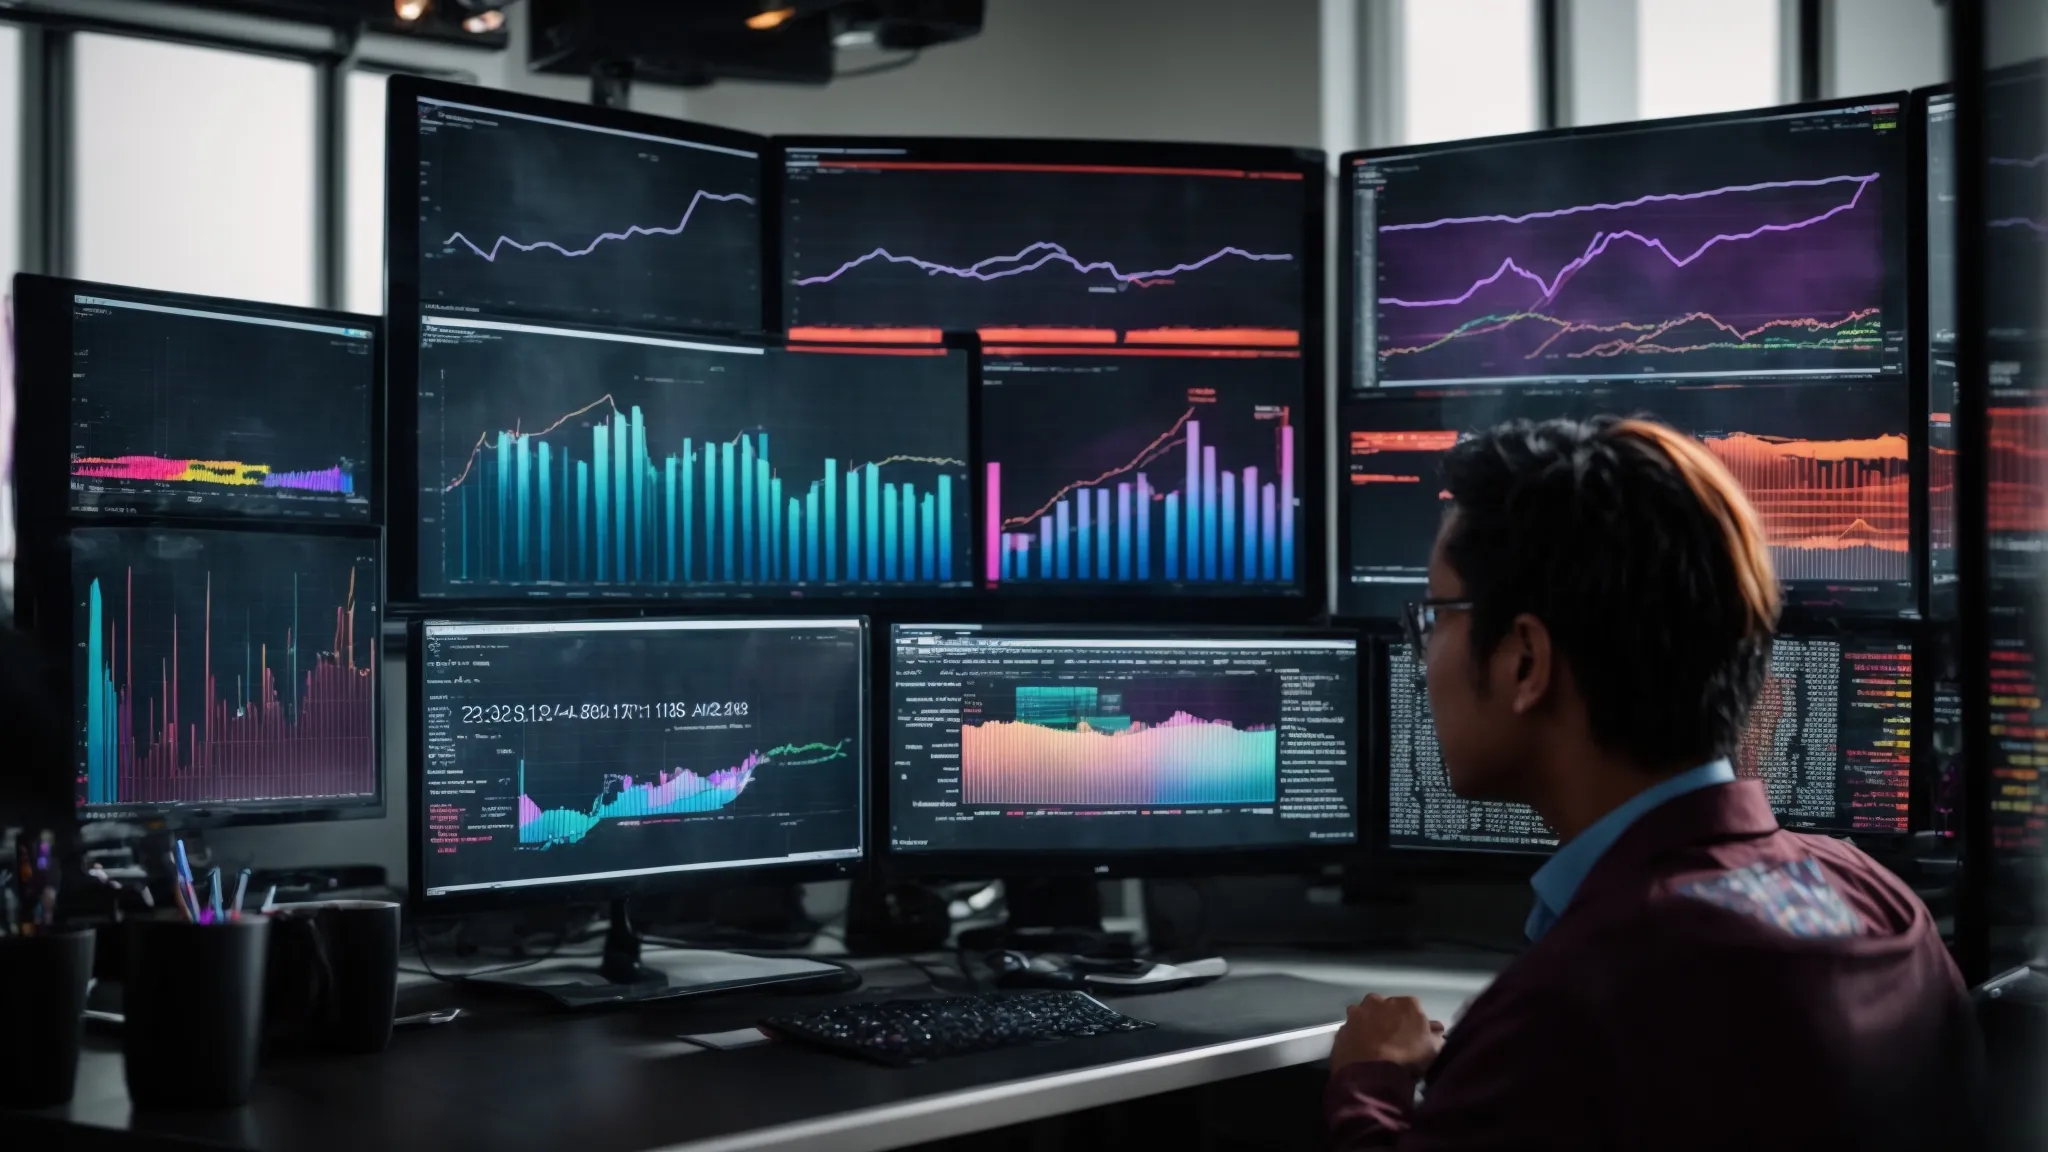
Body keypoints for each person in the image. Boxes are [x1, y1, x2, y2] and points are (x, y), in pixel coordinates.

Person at [1326, 417, 1980, 1150]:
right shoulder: (1884, 907)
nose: (1423, 657)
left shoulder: (1574, 1003)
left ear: (1525, 662)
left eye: (1435, 617)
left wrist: (1369, 1082)